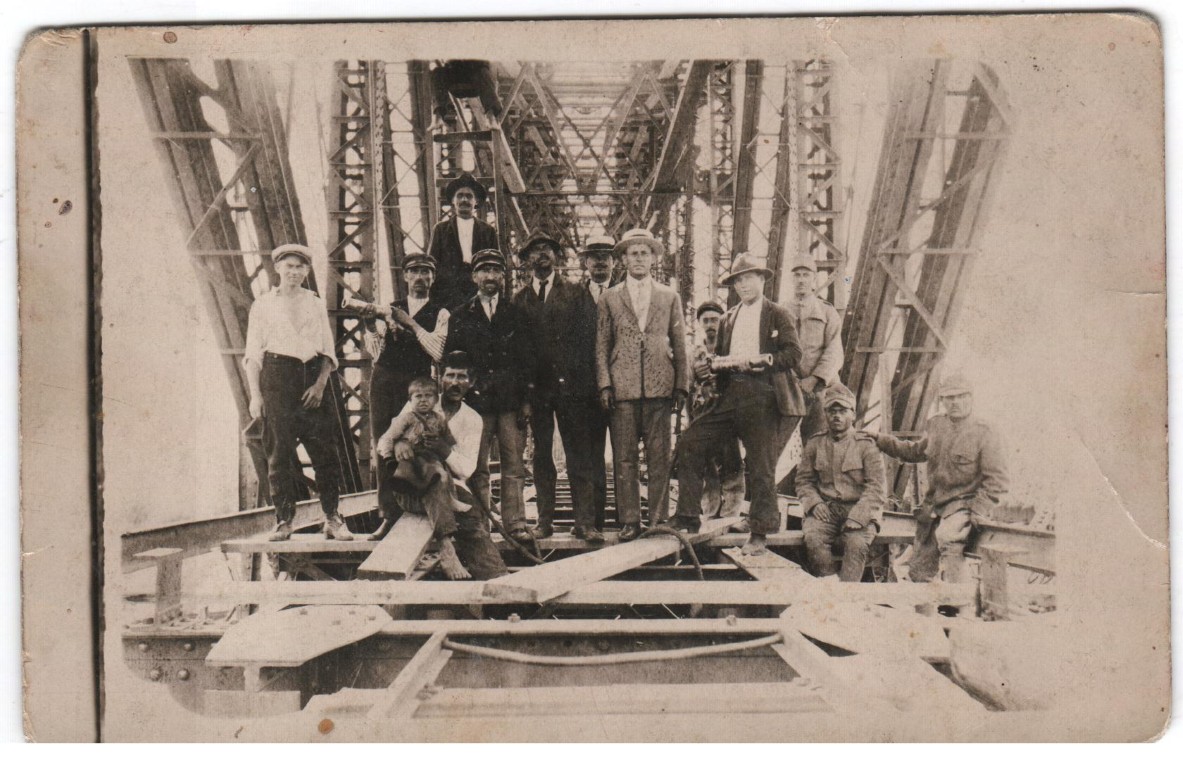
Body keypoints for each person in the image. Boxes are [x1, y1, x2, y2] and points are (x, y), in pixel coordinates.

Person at [671, 252, 803, 556]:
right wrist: (712, 368)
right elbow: (720, 358)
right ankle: (688, 516)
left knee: (760, 464)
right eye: (738, 281)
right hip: (731, 395)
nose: (743, 285)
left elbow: (794, 354)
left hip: (763, 395)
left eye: (749, 278)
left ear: (761, 279)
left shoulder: (777, 314)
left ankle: (759, 532)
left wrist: (766, 360)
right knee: (691, 442)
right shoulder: (728, 318)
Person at [243, 243, 352, 542]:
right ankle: (283, 521)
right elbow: (253, 355)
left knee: (325, 453)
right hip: (277, 380)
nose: (294, 272)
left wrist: (319, 386)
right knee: (278, 453)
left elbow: (328, 351)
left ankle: (332, 518)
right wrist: (256, 395)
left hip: (312, 379)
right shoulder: (263, 305)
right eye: (289, 266)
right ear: (278, 268)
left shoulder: (314, 303)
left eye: (300, 267)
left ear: (307, 271)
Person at [595, 228, 689, 542]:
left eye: (644, 253)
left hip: (660, 386)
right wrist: (605, 384)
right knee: (624, 458)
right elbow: (602, 344)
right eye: (632, 253)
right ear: (623, 259)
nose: (638, 258)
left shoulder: (669, 296)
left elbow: (680, 342)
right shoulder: (609, 297)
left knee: (659, 455)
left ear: (653, 259)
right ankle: (630, 520)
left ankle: (658, 518)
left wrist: (681, 385)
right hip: (622, 387)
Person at [875, 372, 1009, 583]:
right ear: (943, 400)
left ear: (971, 397)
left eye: (961, 396)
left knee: (949, 539)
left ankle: (958, 599)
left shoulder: (985, 432)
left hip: (962, 506)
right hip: (933, 509)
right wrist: (880, 440)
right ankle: (928, 601)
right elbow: (915, 452)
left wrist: (978, 511)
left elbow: (998, 481)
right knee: (918, 572)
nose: (955, 402)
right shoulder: (937, 425)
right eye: (949, 397)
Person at [513, 232, 604, 542]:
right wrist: (525, 394)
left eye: (547, 249)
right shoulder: (520, 300)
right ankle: (544, 522)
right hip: (538, 390)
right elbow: (519, 351)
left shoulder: (576, 294)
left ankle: (585, 523)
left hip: (572, 389)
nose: (542, 255)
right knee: (541, 457)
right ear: (527, 260)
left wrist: (584, 386)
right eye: (535, 250)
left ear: (557, 257)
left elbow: (588, 340)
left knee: (579, 454)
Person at [444, 249, 536, 545]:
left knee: (513, 466)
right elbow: (451, 361)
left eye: (496, 271)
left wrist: (526, 401)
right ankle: (479, 524)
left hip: (510, 403)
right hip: (477, 405)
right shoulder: (460, 315)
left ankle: (515, 524)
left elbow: (527, 362)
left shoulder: (517, 314)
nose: (490, 276)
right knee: (476, 467)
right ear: (474, 277)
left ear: (503, 277)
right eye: (484, 271)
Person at [367, 253, 449, 540]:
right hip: (384, 381)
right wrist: (370, 327)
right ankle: (389, 515)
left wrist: (411, 324)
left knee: (415, 443)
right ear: (405, 276)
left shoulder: (440, 313)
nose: (420, 277)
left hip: (415, 385)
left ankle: (419, 511)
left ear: (433, 278)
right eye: (414, 271)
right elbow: (376, 352)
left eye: (426, 272)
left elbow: (438, 351)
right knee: (384, 444)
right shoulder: (391, 308)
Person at [375, 377, 469, 579]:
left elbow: (450, 443)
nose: (423, 400)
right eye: (418, 396)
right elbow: (386, 439)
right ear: (410, 400)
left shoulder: (439, 419)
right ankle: (447, 547)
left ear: (436, 399)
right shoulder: (405, 419)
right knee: (437, 476)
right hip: (412, 466)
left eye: (428, 396)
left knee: (441, 473)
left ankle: (450, 500)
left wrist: (442, 446)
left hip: (431, 461)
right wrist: (392, 455)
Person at [797, 384, 886, 581]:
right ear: (825, 414)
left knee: (856, 545)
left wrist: (859, 516)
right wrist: (814, 503)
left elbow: (876, 488)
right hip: (826, 509)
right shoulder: (815, 443)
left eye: (843, 411)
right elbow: (803, 481)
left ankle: (847, 594)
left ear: (852, 415)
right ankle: (830, 586)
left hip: (860, 509)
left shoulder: (866, 445)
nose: (836, 416)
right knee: (813, 539)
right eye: (832, 411)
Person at [688, 300, 746, 521]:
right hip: (703, 414)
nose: (710, 325)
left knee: (732, 461)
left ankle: (731, 512)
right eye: (706, 320)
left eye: (715, 320)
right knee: (707, 463)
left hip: (729, 411)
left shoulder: (732, 347)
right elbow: (687, 383)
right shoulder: (694, 352)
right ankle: (710, 510)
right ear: (700, 323)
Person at [579, 235, 619, 530]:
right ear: (585, 262)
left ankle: (627, 517)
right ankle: (594, 519)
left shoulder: (625, 294)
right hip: (585, 391)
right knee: (590, 455)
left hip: (621, 387)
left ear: (615, 262)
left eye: (606, 256)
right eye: (595, 257)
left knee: (624, 455)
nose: (601, 262)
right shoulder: (573, 296)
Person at [784, 258, 845, 444]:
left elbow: (834, 351)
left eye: (806, 275)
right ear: (791, 279)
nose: (801, 280)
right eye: (797, 275)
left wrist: (814, 379)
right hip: (788, 387)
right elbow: (774, 349)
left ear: (814, 279)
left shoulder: (827, 312)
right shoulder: (780, 311)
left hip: (821, 389)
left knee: (822, 442)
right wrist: (792, 379)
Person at [427, 173, 499, 309]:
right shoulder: (440, 229)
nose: (464, 200)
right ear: (453, 201)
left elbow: (496, 265)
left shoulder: (488, 230)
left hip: (479, 291)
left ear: (476, 201)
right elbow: (432, 264)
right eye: (460, 196)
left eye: (469, 196)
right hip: (448, 294)